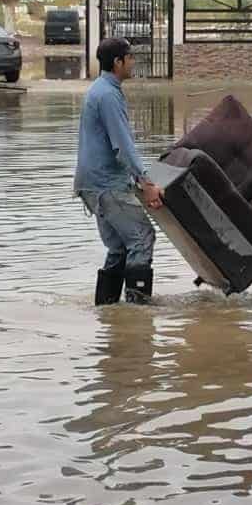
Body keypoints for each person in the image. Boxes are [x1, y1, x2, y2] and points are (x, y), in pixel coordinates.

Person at [74, 37, 163, 305]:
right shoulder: (109, 95)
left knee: (119, 248)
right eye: (130, 57)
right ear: (118, 62)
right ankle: (137, 313)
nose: (134, 62)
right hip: (106, 185)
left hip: (91, 185)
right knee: (143, 237)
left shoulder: (99, 90)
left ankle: (108, 310)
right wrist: (146, 182)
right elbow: (122, 147)